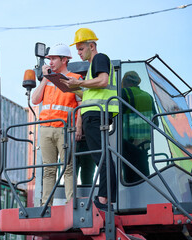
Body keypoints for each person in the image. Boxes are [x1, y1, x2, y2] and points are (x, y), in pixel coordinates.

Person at [61, 28, 118, 210]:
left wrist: (79, 83)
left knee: (101, 157)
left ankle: (103, 200)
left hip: (96, 114)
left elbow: (102, 81)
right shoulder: (92, 67)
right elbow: (90, 91)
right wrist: (70, 86)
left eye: (80, 48)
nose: (78, 53)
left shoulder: (100, 59)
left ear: (91, 46)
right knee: (101, 156)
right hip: (94, 114)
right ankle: (105, 198)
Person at [31, 43, 83, 206]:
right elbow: (35, 100)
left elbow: (81, 105)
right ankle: (47, 205)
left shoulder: (76, 78)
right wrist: (45, 79)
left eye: (54, 59)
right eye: (50, 59)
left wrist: (78, 127)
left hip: (65, 129)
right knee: (49, 170)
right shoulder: (47, 80)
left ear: (64, 60)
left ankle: (71, 204)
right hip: (46, 129)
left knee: (68, 169)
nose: (50, 62)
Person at [121, 71, 158, 183]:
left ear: (125, 81)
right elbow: (156, 123)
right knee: (143, 177)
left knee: (129, 179)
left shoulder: (124, 92)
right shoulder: (148, 96)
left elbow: (115, 116)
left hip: (128, 142)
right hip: (144, 144)